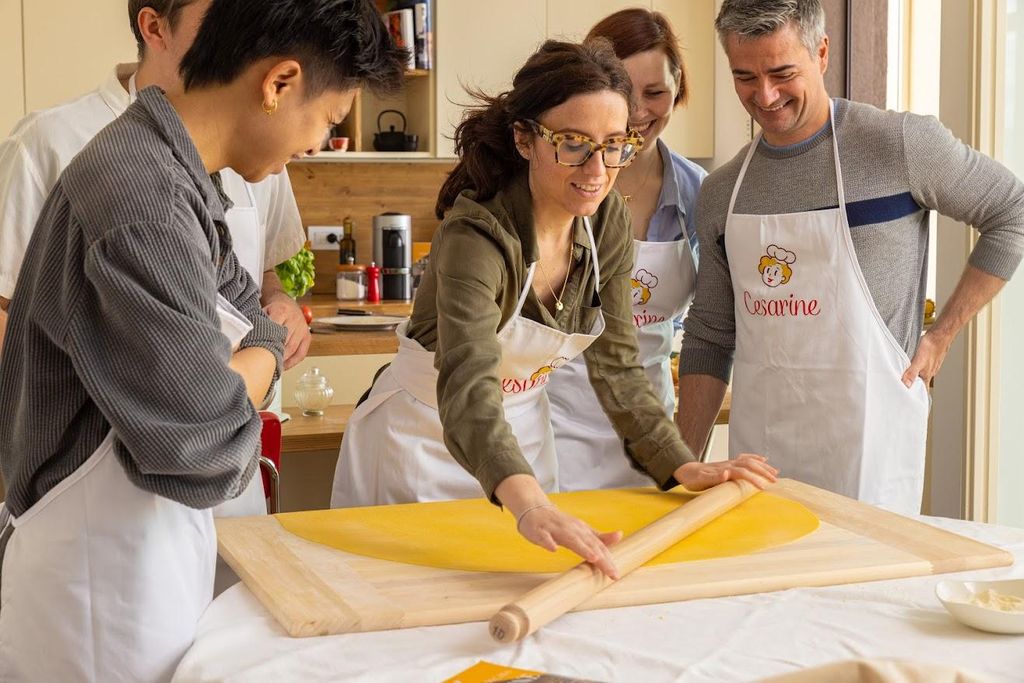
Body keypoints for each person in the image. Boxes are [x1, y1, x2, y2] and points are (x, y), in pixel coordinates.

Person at [0, 1, 406, 680]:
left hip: (145, 553)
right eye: (327, 121)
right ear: (278, 82)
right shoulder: (141, 196)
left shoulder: (185, 177)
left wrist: (247, 358)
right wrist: (260, 358)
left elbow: (255, 318)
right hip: (96, 582)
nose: (314, 145)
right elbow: (202, 437)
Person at [331, 39, 777, 579]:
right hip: (421, 442)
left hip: (523, 446)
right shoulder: (477, 236)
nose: (598, 169)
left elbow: (616, 364)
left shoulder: (605, 219)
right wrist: (530, 504)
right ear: (524, 138)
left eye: (615, 145)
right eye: (573, 144)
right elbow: (469, 387)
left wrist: (682, 464)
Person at [677, 0, 1024, 515]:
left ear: (820, 52)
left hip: (871, 454)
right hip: (761, 457)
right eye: (744, 76)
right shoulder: (723, 191)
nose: (764, 95)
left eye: (781, 73)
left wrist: (943, 334)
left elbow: (1011, 212)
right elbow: (709, 335)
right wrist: (680, 469)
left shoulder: (899, 145)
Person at [0, 0, 311, 373]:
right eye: (220, 16)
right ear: (154, 27)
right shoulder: (47, 141)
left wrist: (282, 305)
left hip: (239, 416)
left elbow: (263, 273)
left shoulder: (261, 143)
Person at [546, 8, 708, 490]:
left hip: (649, 426)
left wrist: (684, 450)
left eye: (655, 92)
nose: (637, 111)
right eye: (623, 90)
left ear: (678, 89)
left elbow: (710, 326)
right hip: (549, 419)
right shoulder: (558, 185)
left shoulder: (698, 194)